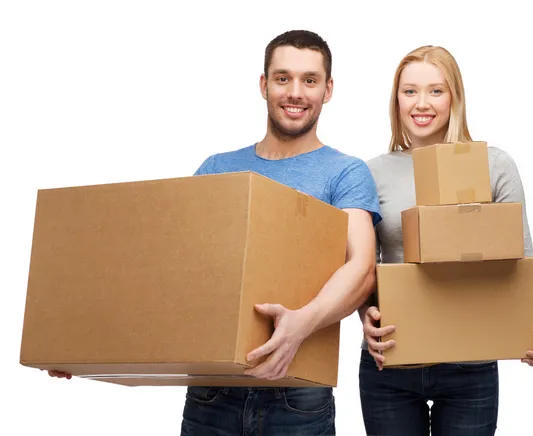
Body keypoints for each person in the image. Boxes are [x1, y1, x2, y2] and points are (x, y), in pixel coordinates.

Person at [47, 30, 382, 436]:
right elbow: (164, 274)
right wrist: (80, 344)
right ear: (263, 85)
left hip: (296, 395)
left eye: (309, 80)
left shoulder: (344, 172)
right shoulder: (218, 169)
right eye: (282, 78)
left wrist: (301, 325)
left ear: (327, 90)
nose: (296, 92)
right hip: (211, 392)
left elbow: (362, 268)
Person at [358, 45, 533, 436]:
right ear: (395, 99)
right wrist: (364, 313)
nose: (421, 103)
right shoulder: (371, 172)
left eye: (436, 90)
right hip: (393, 357)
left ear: (455, 97)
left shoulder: (493, 164)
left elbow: (522, 255)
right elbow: (364, 265)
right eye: (409, 91)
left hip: (470, 359)